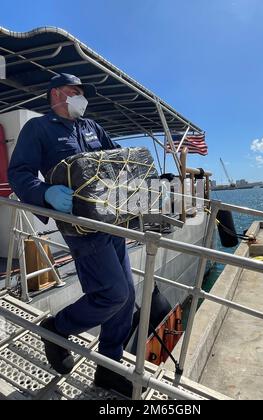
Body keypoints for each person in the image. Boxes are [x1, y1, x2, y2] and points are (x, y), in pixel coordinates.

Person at [8, 73, 136, 397]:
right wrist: (46, 192)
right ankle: (57, 328)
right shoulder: (38, 129)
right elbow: (19, 172)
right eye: (74, 91)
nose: (81, 97)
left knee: (126, 300)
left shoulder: (93, 128)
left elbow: (120, 160)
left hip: (111, 221)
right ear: (55, 94)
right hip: (81, 230)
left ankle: (109, 369)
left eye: (82, 92)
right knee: (112, 294)